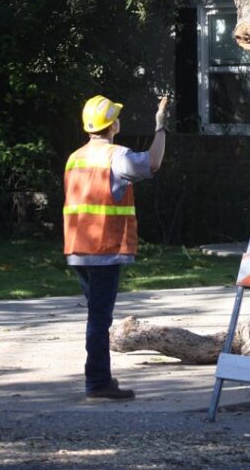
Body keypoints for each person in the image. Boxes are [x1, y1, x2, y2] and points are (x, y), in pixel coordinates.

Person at [63, 93, 170, 400]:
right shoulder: (116, 156)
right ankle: (97, 382)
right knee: (99, 318)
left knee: (96, 314)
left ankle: (98, 377)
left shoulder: (75, 157)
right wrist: (160, 126)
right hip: (104, 250)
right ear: (114, 125)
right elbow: (154, 162)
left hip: (78, 250)